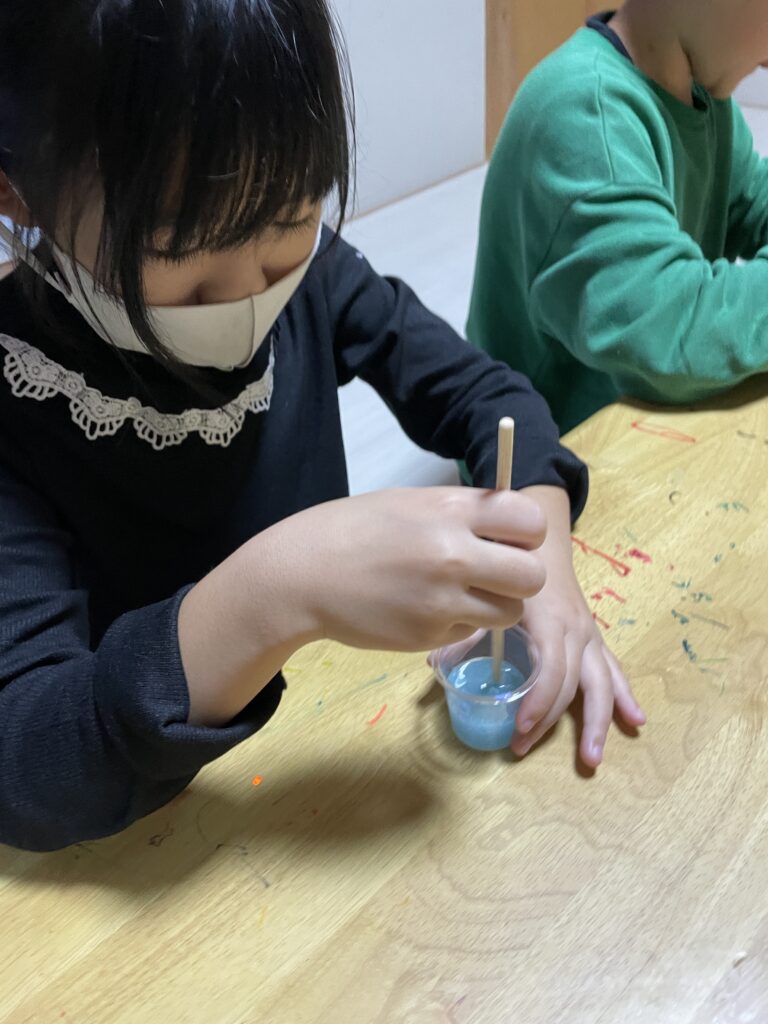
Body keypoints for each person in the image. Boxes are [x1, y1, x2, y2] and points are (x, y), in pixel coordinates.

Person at [0, 0, 643, 852]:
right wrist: (281, 589)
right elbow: (30, 760)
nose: (252, 293)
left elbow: (490, 398)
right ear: (18, 189)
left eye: (290, 219)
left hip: (336, 743)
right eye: (183, 259)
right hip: (154, 833)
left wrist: (543, 563)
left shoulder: (316, 277)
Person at [468, 1, 768, 435]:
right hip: (552, 448)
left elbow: (753, 200)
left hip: (648, 420)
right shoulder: (581, 113)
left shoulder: (701, 94)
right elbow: (669, 330)